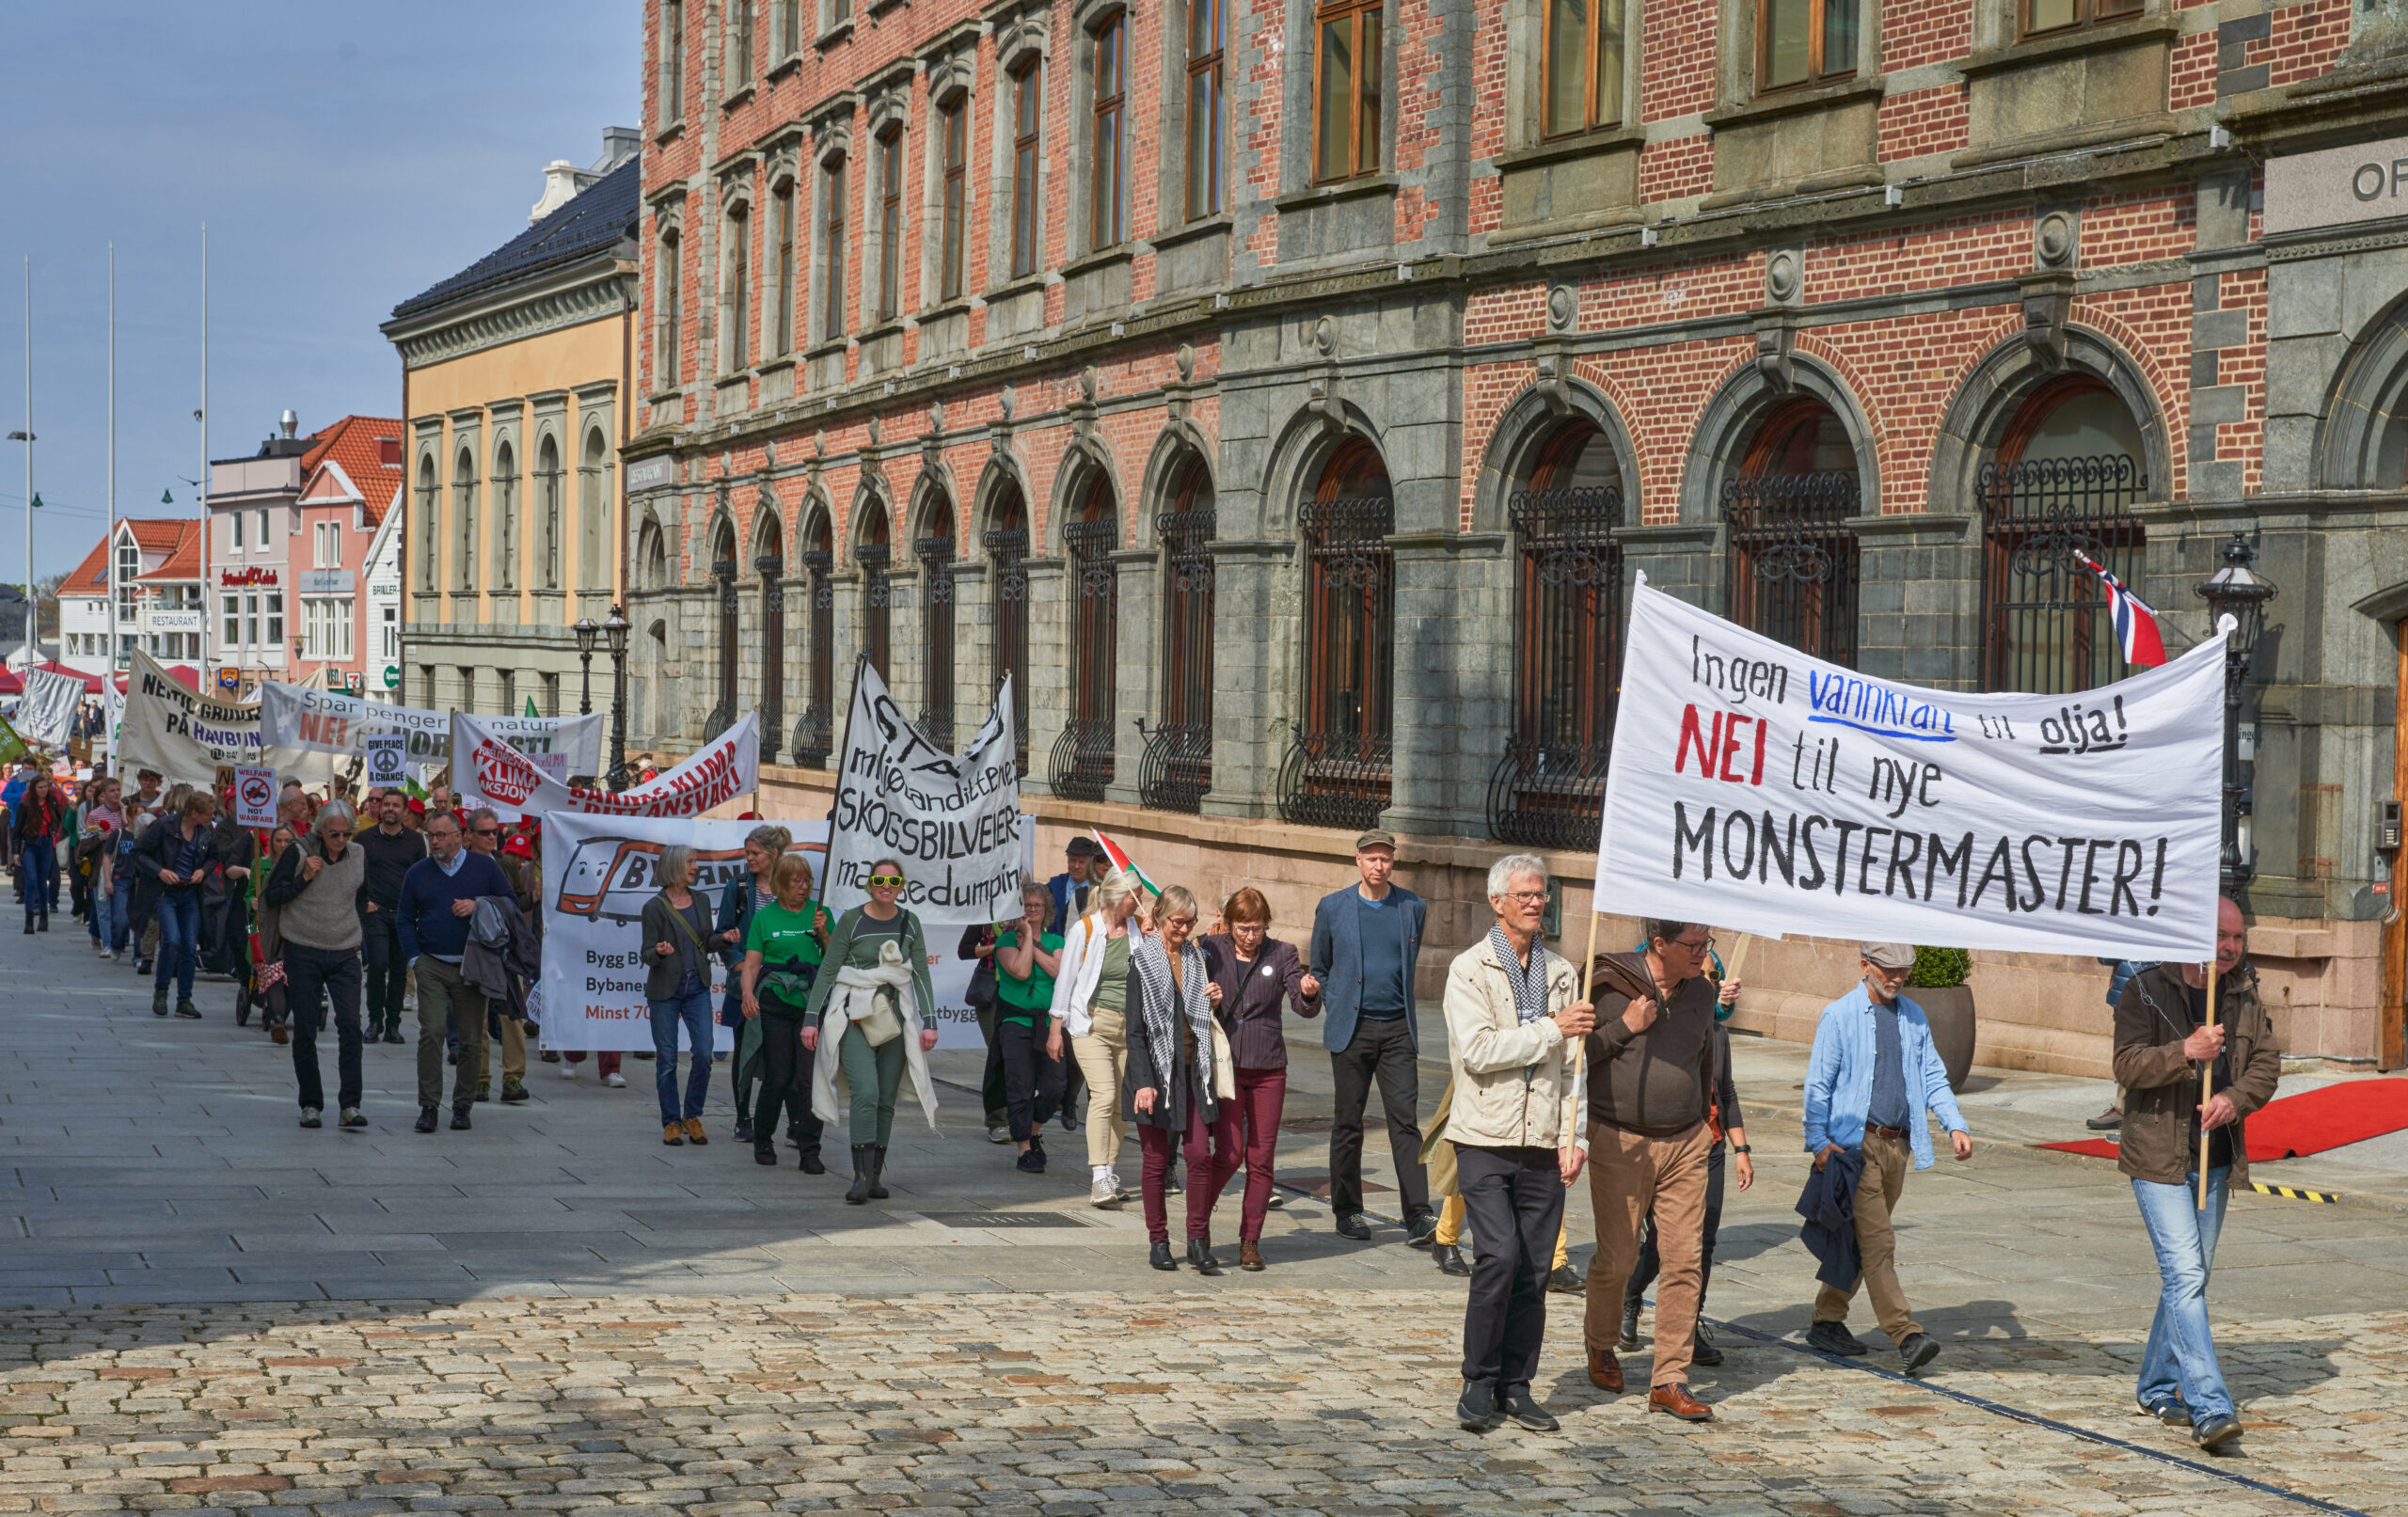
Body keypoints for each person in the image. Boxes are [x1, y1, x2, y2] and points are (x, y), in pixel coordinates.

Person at [2112, 898, 2277, 1451]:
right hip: (2158, 1157)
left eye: (2238, 937)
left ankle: (2157, 1384)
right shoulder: (2144, 986)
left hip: (2215, 1156)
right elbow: (2127, 1065)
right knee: (2184, 1275)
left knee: (2190, 1277)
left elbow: (2266, 1065)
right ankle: (2208, 1404)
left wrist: (2233, 1099)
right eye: (2221, 936)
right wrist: (2186, 1050)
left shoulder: (2245, 989)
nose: (2230, 947)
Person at [1442, 852, 1593, 1434]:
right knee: (1498, 1256)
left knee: (1533, 1268)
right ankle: (1478, 1379)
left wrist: (1574, 1135)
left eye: (1543, 894)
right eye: (1526, 894)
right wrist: (1550, 1030)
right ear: (1498, 901)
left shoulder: (1560, 971)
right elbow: (1478, 1051)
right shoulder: (1469, 969)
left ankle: (1516, 1384)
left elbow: (1576, 1066)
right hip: (1484, 1136)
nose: (1538, 903)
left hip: (1545, 1143)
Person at [1802, 941, 1974, 1374]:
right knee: (1879, 1241)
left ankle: (1827, 1320)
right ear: (1865, 966)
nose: (1897, 978)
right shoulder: (1839, 1015)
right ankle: (1906, 1335)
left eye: (1904, 971)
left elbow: (1933, 1074)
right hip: (1853, 1148)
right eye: (1889, 970)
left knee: (1862, 1240)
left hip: (1898, 1145)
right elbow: (1818, 1085)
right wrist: (1818, 1142)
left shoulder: (1913, 1016)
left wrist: (1955, 1124)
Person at [1580, 919, 1722, 1422]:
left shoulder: (1703, 993)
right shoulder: (1605, 982)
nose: (1703, 953)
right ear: (1659, 944)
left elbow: (1707, 1059)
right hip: (1619, 1139)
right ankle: (1600, 1344)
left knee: (1684, 1261)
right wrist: (1625, 1028)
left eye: (1707, 943)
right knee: (1617, 1261)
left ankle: (1669, 1379)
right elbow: (1577, 1058)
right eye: (1694, 945)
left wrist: (1709, 1122)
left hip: (1685, 1142)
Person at [1307, 829, 1434, 1244]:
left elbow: (1408, 959)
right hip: (1353, 1029)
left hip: (1398, 1028)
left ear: (1393, 862)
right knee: (1348, 1122)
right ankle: (1348, 1210)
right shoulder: (1332, 908)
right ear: (1358, 861)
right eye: (1371, 858)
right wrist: (1337, 1002)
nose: (1379, 865)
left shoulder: (1412, 906)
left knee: (1405, 1122)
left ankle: (1418, 1214)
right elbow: (1320, 967)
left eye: (1386, 859)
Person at [1621, 972, 1753, 1367]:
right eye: (1705, 976)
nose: (1711, 982)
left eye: (1715, 976)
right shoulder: (1665, 1028)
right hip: (1672, 1146)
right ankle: (1632, 1294)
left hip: (1710, 1146)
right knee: (1664, 1243)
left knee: (1704, 1243)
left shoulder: (1718, 1034)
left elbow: (1725, 1091)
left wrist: (1741, 1149)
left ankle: (1689, 1326)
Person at [801, 858, 942, 1202]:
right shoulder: (852, 919)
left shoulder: (910, 922)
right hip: (855, 1016)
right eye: (880, 880)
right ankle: (859, 1178)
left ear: (902, 887)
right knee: (865, 1091)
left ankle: (875, 1177)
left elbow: (920, 972)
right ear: (869, 883)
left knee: (885, 1100)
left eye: (894, 882)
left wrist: (930, 1022)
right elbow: (829, 969)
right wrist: (810, 1019)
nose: (886, 886)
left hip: (896, 1019)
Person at [1196, 888, 1319, 1271]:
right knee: (1229, 1154)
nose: (1252, 936)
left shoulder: (1282, 953)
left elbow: (1301, 1005)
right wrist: (1206, 999)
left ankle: (1250, 1241)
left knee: (1261, 1158)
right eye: (1244, 928)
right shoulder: (1209, 948)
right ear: (1228, 924)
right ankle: (1198, 1223)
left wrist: (1309, 994)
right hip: (1227, 1064)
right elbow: (1183, 989)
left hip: (1268, 1068)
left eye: (1258, 928)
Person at [1125, 885, 1237, 1273]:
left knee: (1199, 1157)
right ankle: (1158, 1241)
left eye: (1190, 923)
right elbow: (1136, 1032)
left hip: (1195, 1071)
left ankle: (1196, 1239)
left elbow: (1201, 1012)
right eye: (1178, 922)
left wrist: (1215, 1001)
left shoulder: (1199, 958)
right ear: (1159, 917)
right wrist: (1143, 1081)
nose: (1184, 930)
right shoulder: (1140, 962)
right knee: (1156, 1160)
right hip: (1154, 1073)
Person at [396, 811, 512, 1133]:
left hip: (472, 965)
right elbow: (404, 918)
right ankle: (429, 1106)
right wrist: (415, 958)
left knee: (471, 1041)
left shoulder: (485, 867)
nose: (435, 842)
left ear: (460, 836)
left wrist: (479, 905)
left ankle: (463, 1106)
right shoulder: (418, 873)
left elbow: (510, 903)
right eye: (431, 836)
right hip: (431, 963)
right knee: (431, 1031)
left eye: (441, 836)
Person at [263, 799, 368, 1130]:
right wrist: (304, 877)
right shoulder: (297, 852)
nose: (340, 840)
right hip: (304, 949)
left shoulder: (359, 854)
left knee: (351, 1026)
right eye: (334, 834)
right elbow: (272, 896)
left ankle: (350, 1105)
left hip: (344, 950)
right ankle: (311, 1104)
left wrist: (362, 931)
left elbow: (363, 895)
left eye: (346, 834)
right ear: (320, 829)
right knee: (306, 1029)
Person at [1047, 869, 1146, 1208]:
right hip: (1092, 1024)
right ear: (1119, 898)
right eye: (1137, 898)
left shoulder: (1137, 931)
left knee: (1121, 1103)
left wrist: (1152, 935)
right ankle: (1098, 1179)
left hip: (1128, 1027)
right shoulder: (1084, 929)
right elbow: (1066, 980)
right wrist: (1055, 1028)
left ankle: (1110, 1177)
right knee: (1103, 1095)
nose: (1141, 904)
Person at [737, 850, 832, 1172]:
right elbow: (751, 964)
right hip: (775, 1005)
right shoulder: (765, 918)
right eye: (796, 880)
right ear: (780, 882)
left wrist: (823, 932)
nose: (803, 887)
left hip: (812, 1007)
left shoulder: (821, 914)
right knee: (778, 1077)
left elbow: (834, 960)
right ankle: (763, 1138)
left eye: (807, 880)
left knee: (808, 1080)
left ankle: (810, 1150)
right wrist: (747, 994)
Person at [638, 845, 721, 1147]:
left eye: (696, 861)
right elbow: (646, 953)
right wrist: (658, 952)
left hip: (696, 987)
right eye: (690, 862)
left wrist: (723, 939)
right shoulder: (654, 907)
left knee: (704, 1054)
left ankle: (692, 1115)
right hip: (665, 991)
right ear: (675, 866)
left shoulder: (701, 900)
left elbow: (707, 942)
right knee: (668, 1059)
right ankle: (671, 1121)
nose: (696, 867)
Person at [718, 825, 790, 1143]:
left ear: (774, 854)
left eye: (754, 853)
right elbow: (723, 931)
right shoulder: (739, 887)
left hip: (783, 984)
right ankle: (742, 1117)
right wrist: (735, 961)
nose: (749, 859)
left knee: (785, 1055)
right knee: (744, 1050)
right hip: (745, 983)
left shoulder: (791, 884)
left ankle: (794, 1122)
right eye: (747, 853)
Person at [131, 791, 224, 1019]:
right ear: (194, 813)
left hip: (190, 892)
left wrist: (203, 871)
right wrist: (160, 871)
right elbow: (139, 853)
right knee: (171, 940)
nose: (212, 817)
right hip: (166, 893)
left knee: (190, 947)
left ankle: (184, 1000)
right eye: (209, 814)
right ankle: (161, 992)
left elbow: (214, 856)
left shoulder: (206, 831)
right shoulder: (164, 826)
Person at [992, 883, 1065, 1173]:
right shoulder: (1006, 941)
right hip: (1015, 1021)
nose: (1031, 911)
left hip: (1049, 1023)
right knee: (1019, 1085)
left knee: (1054, 1087)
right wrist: (1025, 937)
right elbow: (1021, 971)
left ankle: (1033, 1130)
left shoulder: (1057, 939)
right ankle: (1024, 1148)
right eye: (1026, 906)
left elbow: (1058, 972)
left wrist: (1032, 942)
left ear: (1046, 910)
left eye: (1037, 906)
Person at [462, 809, 532, 1102]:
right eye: (485, 832)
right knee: (476, 1017)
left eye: (495, 832)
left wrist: (535, 896)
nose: (492, 837)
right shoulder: (460, 865)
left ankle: (513, 1078)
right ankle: (479, 1078)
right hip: (473, 949)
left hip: (503, 951)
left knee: (511, 1015)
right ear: (468, 835)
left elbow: (515, 903)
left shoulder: (505, 863)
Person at [357, 790, 427, 1046]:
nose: (389, 809)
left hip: (404, 914)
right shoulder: (364, 839)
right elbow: (355, 873)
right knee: (377, 965)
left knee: (399, 970)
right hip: (376, 912)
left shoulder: (415, 841)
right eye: (385, 804)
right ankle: (374, 1020)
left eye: (395, 805)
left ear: (404, 811)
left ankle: (393, 1024)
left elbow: (422, 877)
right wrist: (363, 902)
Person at [237, 821, 298, 1041]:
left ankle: (280, 1014)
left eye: (287, 841)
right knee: (270, 969)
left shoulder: (301, 866)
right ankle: (277, 1018)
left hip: (292, 924)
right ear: (272, 842)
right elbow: (248, 893)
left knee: (290, 974)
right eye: (278, 840)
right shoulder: (260, 864)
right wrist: (251, 902)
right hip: (263, 924)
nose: (282, 845)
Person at [11, 769, 67, 934]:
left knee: (43, 883)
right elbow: (17, 831)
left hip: (46, 844)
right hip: (29, 844)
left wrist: (54, 831)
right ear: (34, 788)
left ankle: (44, 916)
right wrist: (15, 852)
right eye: (40, 787)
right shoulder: (26, 805)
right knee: (31, 881)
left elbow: (59, 820)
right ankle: (29, 919)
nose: (44, 790)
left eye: (46, 787)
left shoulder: (53, 803)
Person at [79, 778, 122, 957]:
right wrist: (100, 838)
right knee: (103, 908)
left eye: (118, 790)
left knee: (120, 909)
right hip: (100, 864)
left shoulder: (124, 812)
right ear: (103, 794)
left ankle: (119, 940)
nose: (116, 793)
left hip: (122, 864)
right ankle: (108, 944)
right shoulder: (95, 815)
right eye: (112, 790)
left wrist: (126, 815)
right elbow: (85, 844)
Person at [1044, 836, 1107, 934]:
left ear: (1091, 863)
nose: (1076, 866)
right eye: (1073, 860)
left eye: (1082, 862)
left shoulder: (1100, 889)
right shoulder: (1054, 886)